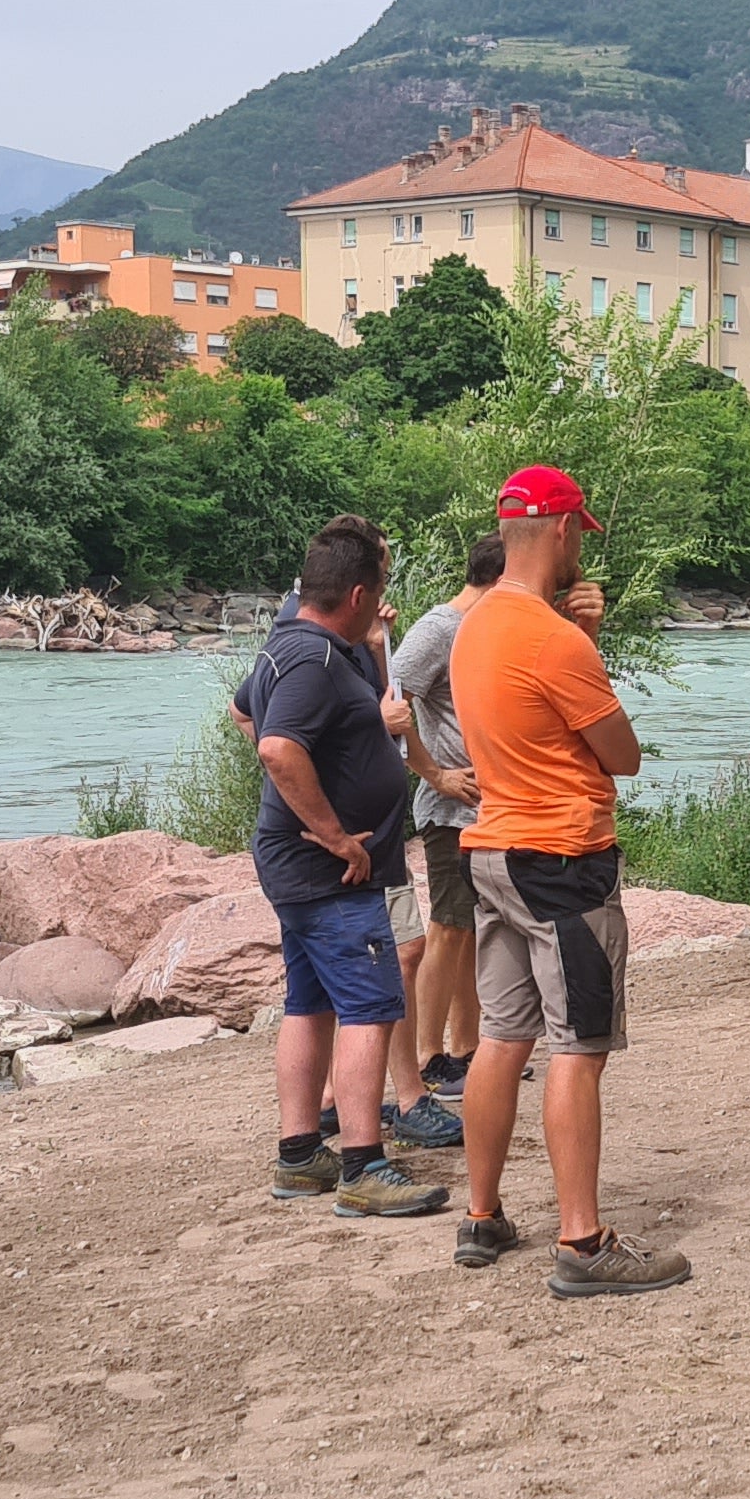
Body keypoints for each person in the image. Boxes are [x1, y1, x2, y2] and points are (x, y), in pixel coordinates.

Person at [449, 464, 685, 1297]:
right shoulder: (557, 641)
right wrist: (587, 641)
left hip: (494, 852)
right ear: (558, 531)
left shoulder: (475, 624)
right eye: (580, 529)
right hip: (561, 858)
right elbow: (621, 755)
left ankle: (481, 1215)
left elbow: (530, 708)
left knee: (501, 1038)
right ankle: (582, 1243)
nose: (583, 542)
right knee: (576, 1050)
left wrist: (572, 626)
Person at [249, 514, 446, 1222]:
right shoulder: (315, 660)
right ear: (359, 593)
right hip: (333, 874)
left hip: (297, 867)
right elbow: (274, 747)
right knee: (369, 1004)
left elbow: (247, 716)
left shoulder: (287, 647)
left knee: (311, 1003)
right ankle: (364, 1164)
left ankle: (300, 1156)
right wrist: (333, 833)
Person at [383, 534, 504, 1127]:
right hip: (449, 808)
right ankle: (431, 1056)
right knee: (450, 927)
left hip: (488, 808)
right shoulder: (440, 628)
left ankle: (469, 1047)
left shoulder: (483, 629)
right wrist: (432, 772)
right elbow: (392, 699)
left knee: (475, 930)